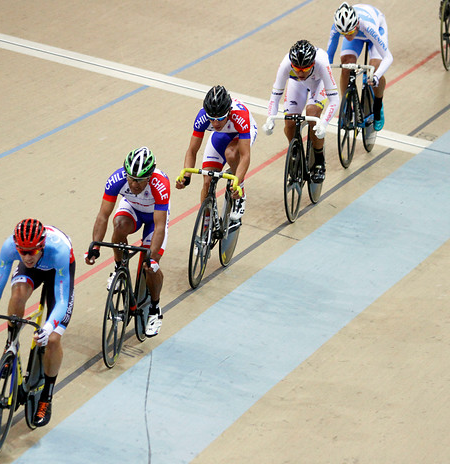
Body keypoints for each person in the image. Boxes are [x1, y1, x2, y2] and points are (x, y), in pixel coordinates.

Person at [0, 218, 75, 428]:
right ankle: (11, 344)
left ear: (41, 246)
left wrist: (48, 326)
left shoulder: (59, 250)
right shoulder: (10, 247)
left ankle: (47, 395)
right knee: (16, 296)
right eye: (22, 251)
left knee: (52, 339)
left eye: (31, 251)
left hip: (59, 271)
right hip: (35, 272)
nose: (26, 257)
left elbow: (62, 300)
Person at [84, 147, 170, 338]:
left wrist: (153, 258)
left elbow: (160, 226)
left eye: (139, 180)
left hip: (153, 219)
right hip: (132, 209)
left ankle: (155, 309)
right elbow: (102, 216)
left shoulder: (160, 185)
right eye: (130, 178)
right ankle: (118, 268)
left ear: (149, 176)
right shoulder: (117, 180)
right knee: (118, 225)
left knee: (150, 266)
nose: (133, 183)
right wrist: (95, 246)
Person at [175, 85, 257, 222]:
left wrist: (238, 182)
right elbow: (192, 150)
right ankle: (206, 225)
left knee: (231, 153)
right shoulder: (202, 118)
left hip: (241, 134)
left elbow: (245, 156)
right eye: (211, 118)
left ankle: (240, 194)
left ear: (228, 112)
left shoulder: (240, 117)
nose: (215, 122)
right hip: (221, 136)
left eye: (220, 118)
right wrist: (186, 176)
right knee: (207, 180)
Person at [262, 39, 339, 183]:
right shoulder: (286, 64)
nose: (301, 72)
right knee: (290, 122)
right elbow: (275, 95)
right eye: (297, 69)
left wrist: (323, 124)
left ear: (313, 64)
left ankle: (319, 161)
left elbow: (335, 100)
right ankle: (296, 154)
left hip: (318, 83)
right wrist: (269, 119)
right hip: (296, 85)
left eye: (305, 69)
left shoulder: (322, 62)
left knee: (312, 114)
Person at [326, 2, 393, 131]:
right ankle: (346, 105)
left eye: (350, 32)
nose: (347, 36)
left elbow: (388, 57)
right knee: (346, 63)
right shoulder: (338, 27)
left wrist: (377, 76)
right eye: (343, 33)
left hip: (376, 30)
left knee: (375, 67)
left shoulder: (368, 27)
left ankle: (378, 105)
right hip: (358, 33)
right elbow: (329, 57)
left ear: (355, 25)